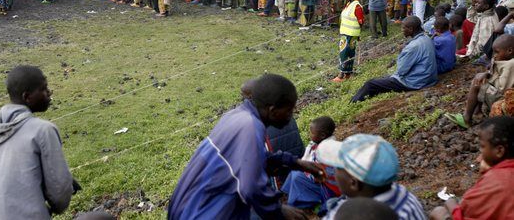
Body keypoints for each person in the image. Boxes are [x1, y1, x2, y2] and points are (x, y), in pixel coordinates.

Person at [168, 74, 320, 220]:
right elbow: (252, 187)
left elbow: (250, 161)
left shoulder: (236, 115)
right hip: (204, 211)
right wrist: (279, 210)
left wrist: (296, 163)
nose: (291, 115)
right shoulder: (250, 127)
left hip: (190, 205)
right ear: (272, 111)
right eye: (288, 110)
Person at [0, 65, 74, 220]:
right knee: (99, 217)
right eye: (43, 89)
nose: (48, 93)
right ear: (27, 97)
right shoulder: (42, 130)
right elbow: (60, 193)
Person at [316, 134, 427, 220]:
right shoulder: (403, 195)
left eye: (337, 167)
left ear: (353, 183)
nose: (334, 171)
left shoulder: (348, 215)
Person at [429, 117, 514, 220]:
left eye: (482, 146)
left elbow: (465, 211)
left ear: (499, 151)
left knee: (438, 212)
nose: (479, 157)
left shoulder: (496, 180)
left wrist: (451, 204)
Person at [351, 16, 437, 102]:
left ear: (411, 29)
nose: (402, 30)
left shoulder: (413, 47)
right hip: (428, 78)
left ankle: (353, 104)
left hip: (415, 82)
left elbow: (401, 71)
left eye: (403, 28)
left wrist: (401, 52)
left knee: (370, 84)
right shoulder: (426, 38)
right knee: (382, 79)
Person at [448, 35, 514, 128]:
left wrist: (488, 77)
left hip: (505, 100)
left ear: (510, 51)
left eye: (497, 52)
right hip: (503, 95)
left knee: (477, 84)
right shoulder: (505, 60)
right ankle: (477, 112)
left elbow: (502, 88)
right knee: (480, 79)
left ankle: (467, 118)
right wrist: (487, 73)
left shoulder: (510, 65)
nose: (494, 55)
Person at [281, 116, 340, 214]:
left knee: (297, 177)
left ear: (322, 135)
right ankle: (287, 195)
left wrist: (304, 170)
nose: (309, 135)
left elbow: (318, 175)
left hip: (326, 187)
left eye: (312, 133)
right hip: (318, 178)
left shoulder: (324, 151)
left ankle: (296, 206)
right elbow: (306, 160)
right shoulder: (316, 144)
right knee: (295, 172)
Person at [335, 0, 364, 82]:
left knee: (344, 53)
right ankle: (348, 73)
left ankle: (341, 74)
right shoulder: (348, 4)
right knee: (348, 53)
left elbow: (361, 21)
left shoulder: (357, 6)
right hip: (345, 32)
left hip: (351, 34)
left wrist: (358, 33)